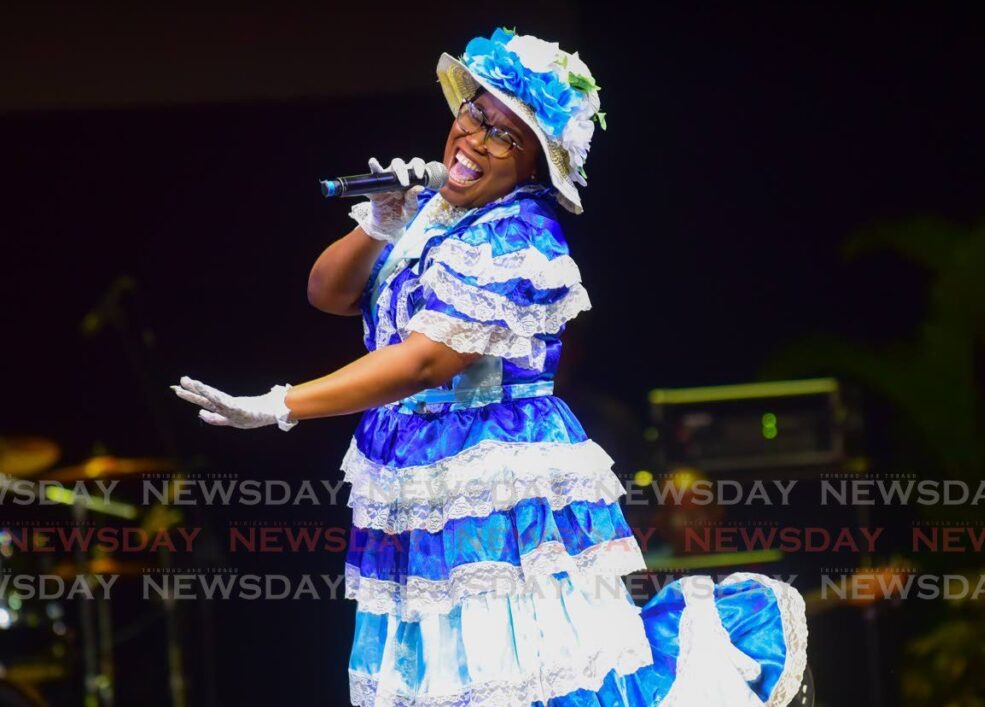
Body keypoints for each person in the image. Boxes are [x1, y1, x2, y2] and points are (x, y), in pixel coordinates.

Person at [173, 28, 808, 706]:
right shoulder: (434, 210)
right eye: (475, 114)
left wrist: (281, 404)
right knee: (446, 678)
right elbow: (327, 292)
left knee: (521, 676)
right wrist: (381, 223)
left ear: (533, 163)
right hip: (421, 482)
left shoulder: (519, 236)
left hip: (495, 482)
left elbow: (423, 362)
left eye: (505, 134)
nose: (474, 139)